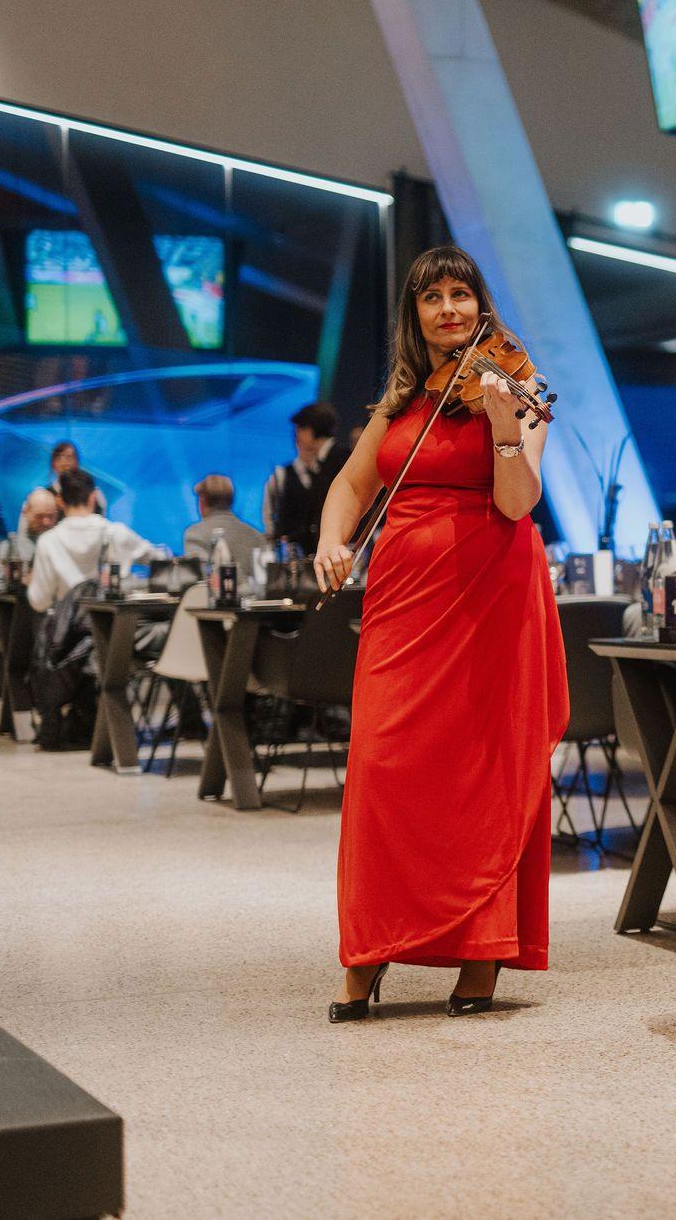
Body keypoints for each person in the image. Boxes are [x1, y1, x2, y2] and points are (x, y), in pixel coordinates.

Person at [313, 245, 565, 1023]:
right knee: (382, 765)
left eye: (462, 294)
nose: (449, 309)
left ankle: (480, 951)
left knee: (480, 770)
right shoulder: (398, 400)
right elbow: (355, 482)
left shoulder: (516, 389)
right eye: (433, 297)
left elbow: (519, 503)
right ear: (413, 314)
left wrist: (501, 425)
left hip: (490, 596)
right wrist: (332, 538)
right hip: (400, 600)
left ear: (481, 306)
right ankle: (368, 950)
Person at [26, 470, 157, 613]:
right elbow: (160, 560)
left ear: (60, 501)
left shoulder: (48, 542)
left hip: (69, 631)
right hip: (115, 628)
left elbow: (39, 602)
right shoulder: (116, 533)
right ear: (93, 496)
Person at [263, 402, 346, 557]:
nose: (297, 437)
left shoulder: (338, 460)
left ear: (310, 430)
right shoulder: (322, 463)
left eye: (300, 430)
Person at [183, 475, 266, 573]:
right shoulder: (257, 536)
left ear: (202, 501)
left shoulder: (194, 535)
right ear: (231, 500)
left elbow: (201, 576)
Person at [0, 490, 61, 592]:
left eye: (51, 516)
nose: (46, 522)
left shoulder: (63, 548)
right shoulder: (6, 550)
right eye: (39, 516)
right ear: (26, 512)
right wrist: (19, 583)